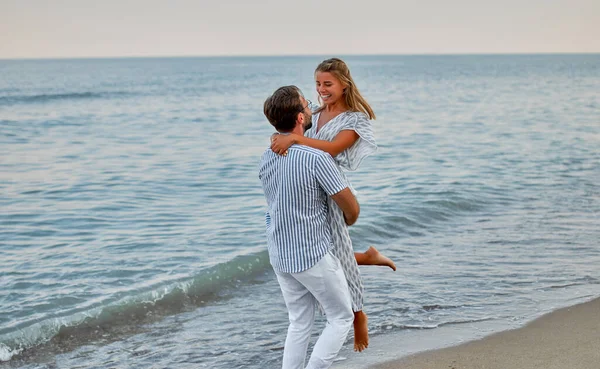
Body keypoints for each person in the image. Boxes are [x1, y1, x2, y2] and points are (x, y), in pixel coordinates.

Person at [270, 58, 395, 352]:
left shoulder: (354, 119)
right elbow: (297, 129)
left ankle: (358, 314)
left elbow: (334, 149)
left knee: (332, 252)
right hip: (311, 189)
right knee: (324, 252)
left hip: (332, 186)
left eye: (328, 84)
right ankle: (367, 257)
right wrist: (285, 137)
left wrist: (291, 141)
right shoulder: (316, 112)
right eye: (317, 84)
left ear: (343, 85)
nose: (321, 89)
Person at [260, 85, 361, 369]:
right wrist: (348, 222)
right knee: (341, 317)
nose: (311, 107)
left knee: (300, 321)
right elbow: (350, 207)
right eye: (307, 105)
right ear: (301, 118)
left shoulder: (267, 156)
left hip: (280, 254)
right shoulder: (317, 159)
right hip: (311, 254)